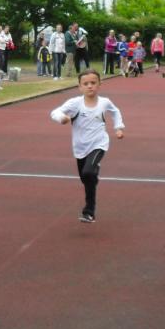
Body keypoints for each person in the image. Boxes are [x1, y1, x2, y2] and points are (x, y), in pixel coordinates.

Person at [50, 69, 125, 223]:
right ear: (80, 87)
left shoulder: (104, 102)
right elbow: (55, 112)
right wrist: (62, 118)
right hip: (80, 147)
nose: (90, 86)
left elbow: (115, 112)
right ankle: (92, 177)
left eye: (93, 83)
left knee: (88, 171)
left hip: (99, 144)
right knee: (86, 178)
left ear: (99, 84)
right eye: (86, 84)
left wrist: (118, 127)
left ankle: (89, 211)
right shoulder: (75, 103)